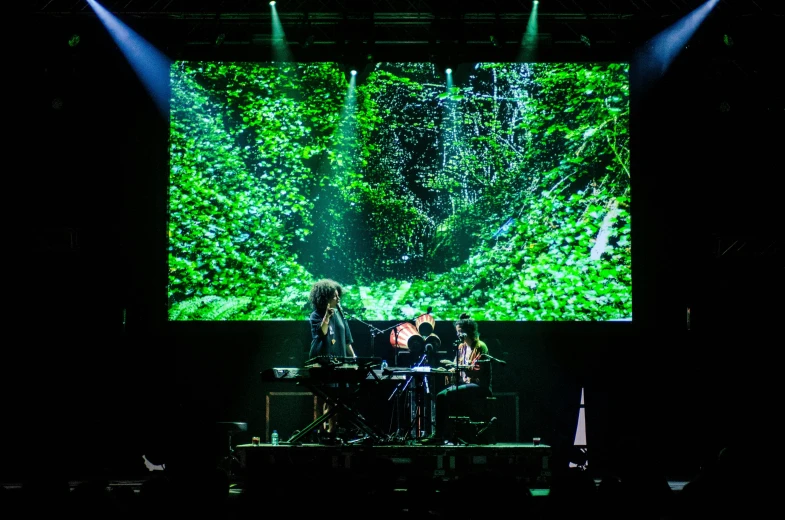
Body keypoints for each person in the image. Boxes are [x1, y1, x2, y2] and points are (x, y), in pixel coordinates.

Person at [421, 313, 492, 445]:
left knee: (444, 395)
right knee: (441, 395)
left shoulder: (480, 347)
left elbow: (477, 371)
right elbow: (456, 367)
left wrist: (455, 366)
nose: (458, 335)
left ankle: (439, 435)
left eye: (461, 332)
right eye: (457, 332)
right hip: (465, 384)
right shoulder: (461, 347)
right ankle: (446, 434)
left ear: (469, 331)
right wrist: (448, 370)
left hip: (479, 386)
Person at [308, 278, 356, 443]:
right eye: (335, 296)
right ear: (325, 298)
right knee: (322, 397)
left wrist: (354, 358)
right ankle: (320, 432)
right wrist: (327, 317)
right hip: (321, 361)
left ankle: (332, 432)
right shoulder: (316, 315)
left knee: (335, 399)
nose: (338, 299)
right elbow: (321, 334)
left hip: (339, 361)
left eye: (338, 296)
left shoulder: (341, 314)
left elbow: (347, 339)